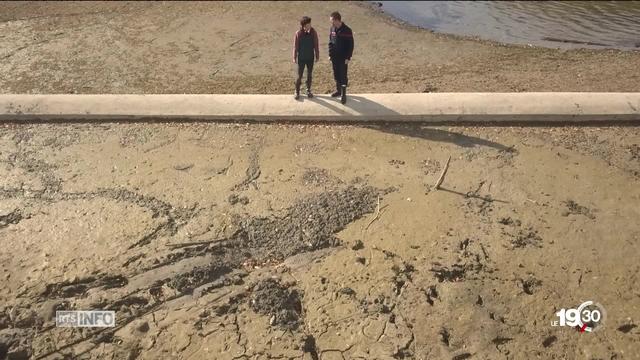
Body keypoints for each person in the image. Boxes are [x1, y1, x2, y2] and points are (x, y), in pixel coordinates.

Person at [328, 11, 354, 104]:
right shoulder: (332, 29)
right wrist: (330, 55)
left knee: (343, 76)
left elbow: (350, 45)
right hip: (334, 58)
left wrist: (348, 57)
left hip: (343, 58)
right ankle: (338, 91)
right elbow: (330, 42)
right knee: (336, 75)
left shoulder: (347, 30)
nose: (331, 23)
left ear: (337, 20)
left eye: (332, 21)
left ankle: (343, 94)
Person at [293, 16, 319, 100]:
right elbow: (295, 47)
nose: (309, 25)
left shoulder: (313, 32)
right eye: (308, 24)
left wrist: (317, 56)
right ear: (303, 25)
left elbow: (316, 44)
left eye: (310, 23)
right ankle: (297, 91)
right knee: (299, 75)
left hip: (310, 57)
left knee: (309, 74)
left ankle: (308, 90)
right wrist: (294, 57)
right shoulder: (298, 33)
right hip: (301, 58)